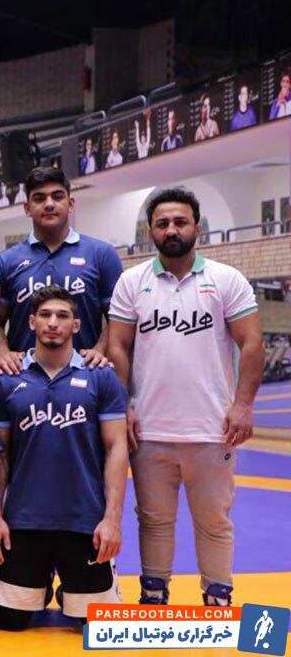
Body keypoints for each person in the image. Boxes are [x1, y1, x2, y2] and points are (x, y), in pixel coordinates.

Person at [106, 186, 263, 607]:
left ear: (197, 227)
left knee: (214, 521)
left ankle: (218, 597)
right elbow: (117, 346)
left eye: (180, 222)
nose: (171, 230)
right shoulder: (131, 282)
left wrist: (243, 405)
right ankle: (154, 596)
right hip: (149, 429)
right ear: (150, 231)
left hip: (213, 429)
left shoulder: (226, 280)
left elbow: (251, 343)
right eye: (162, 223)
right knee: (154, 520)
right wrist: (123, 405)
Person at [0, 284, 128, 629]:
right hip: (23, 522)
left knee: (97, 627)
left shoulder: (100, 376)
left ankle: (71, 590)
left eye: (62, 316)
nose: (53, 323)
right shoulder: (7, 379)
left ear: (76, 325)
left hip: (84, 522)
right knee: (10, 621)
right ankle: (44, 583)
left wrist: (111, 521)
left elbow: (117, 448)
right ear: (31, 322)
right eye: (45, 315)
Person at [0, 166, 122, 374]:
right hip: (23, 377)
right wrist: (3, 353)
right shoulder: (6, 261)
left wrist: (100, 350)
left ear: (70, 204)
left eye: (57, 196)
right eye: (39, 198)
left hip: (85, 374)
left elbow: (118, 318)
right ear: (27, 208)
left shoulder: (102, 254)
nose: (49, 204)